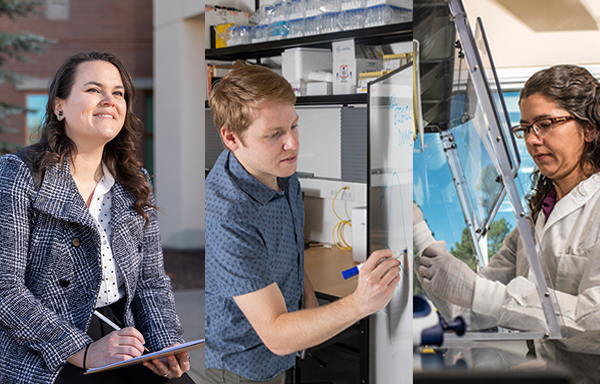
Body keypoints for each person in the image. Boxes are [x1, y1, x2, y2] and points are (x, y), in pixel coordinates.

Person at [0, 52, 194, 384]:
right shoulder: (20, 173)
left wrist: (166, 342)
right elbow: (5, 288)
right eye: (93, 90)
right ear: (59, 106)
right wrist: (83, 351)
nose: (109, 100)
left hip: (122, 328)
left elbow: (151, 281)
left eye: (118, 93)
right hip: (45, 339)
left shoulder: (134, 182)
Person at [205, 62, 401, 384]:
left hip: (283, 347)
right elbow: (276, 335)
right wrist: (360, 303)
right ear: (231, 138)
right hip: (241, 365)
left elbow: (289, 247)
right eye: (275, 134)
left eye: (294, 126)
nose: (293, 144)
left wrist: (306, 294)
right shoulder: (226, 214)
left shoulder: (281, 170)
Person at [414, 64, 600, 383]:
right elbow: (472, 311)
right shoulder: (534, 220)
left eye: (545, 124)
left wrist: (481, 293)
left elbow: (593, 323)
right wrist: (420, 235)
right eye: (525, 128)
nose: (532, 139)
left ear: (589, 129)